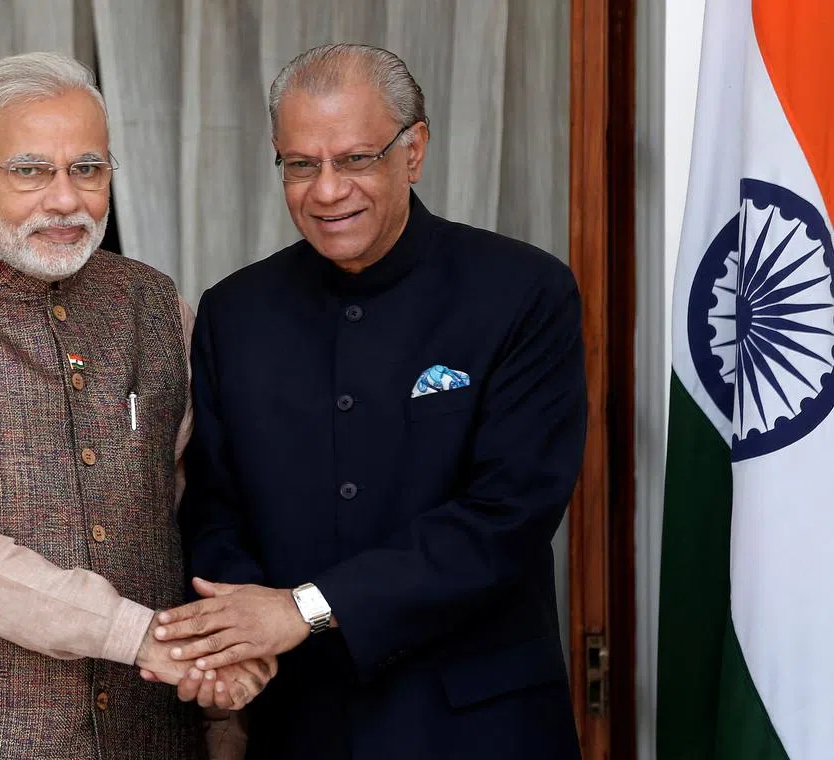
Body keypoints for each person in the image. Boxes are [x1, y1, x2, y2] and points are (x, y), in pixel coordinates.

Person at [0, 52, 268, 759]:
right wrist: (138, 635)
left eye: (88, 169)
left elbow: (200, 502)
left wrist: (224, 680)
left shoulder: (154, 304)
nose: (66, 200)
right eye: (30, 170)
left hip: (146, 729)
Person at [154, 43, 587, 759]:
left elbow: (505, 517)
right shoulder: (236, 312)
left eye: (355, 159)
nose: (326, 191)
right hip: (299, 725)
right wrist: (235, 638)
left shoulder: (523, 293)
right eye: (301, 164)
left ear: (413, 150)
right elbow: (215, 504)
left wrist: (301, 610)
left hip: (478, 726)